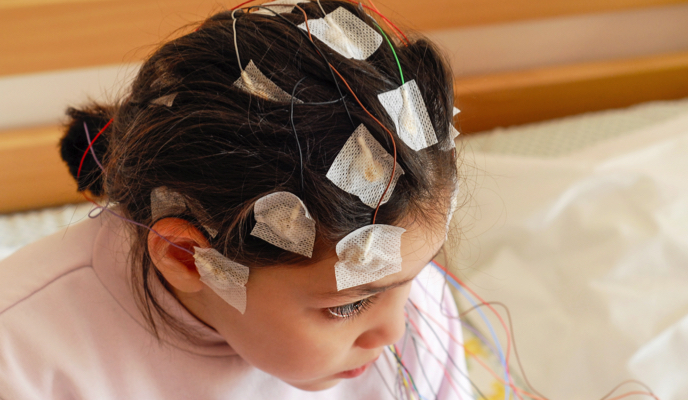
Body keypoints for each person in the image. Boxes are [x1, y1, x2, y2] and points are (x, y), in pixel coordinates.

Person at [0, 1, 470, 398]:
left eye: (419, 273)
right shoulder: (21, 354)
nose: (397, 331)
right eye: (346, 306)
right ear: (189, 258)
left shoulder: (398, 288)